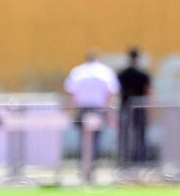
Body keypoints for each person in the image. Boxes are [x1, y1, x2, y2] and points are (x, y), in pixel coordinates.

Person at [62, 52, 120, 184]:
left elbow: (73, 93)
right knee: (95, 140)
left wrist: (71, 111)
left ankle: (83, 167)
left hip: (82, 109)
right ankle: (91, 168)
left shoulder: (78, 71)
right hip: (98, 109)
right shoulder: (105, 72)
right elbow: (110, 93)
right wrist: (110, 113)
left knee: (83, 139)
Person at [117, 48, 153, 171]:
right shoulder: (143, 74)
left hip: (125, 107)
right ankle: (140, 159)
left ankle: (124, 159)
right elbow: (149, 92)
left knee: (124, 135)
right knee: (140, 134)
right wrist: (151, 112)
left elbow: (117, 91)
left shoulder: (122, 74)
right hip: (140, 108)